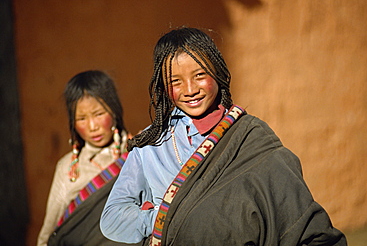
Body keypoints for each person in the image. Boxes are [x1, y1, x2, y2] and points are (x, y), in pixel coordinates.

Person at [100, 27, 347, 245]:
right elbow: (112, 218)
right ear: (164, 87)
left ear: (217, 73)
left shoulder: (249, 136)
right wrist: (166, 217)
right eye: (175, 81)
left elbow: (293, 210)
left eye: (199, 75)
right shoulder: (150, 144)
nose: (190, 90)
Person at [37, 70, 133, 246]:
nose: (92, 126)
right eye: (81, 118)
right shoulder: (68, 168)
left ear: (114, 111)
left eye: (98, 114)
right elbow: (50, 232)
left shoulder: (137, 153)